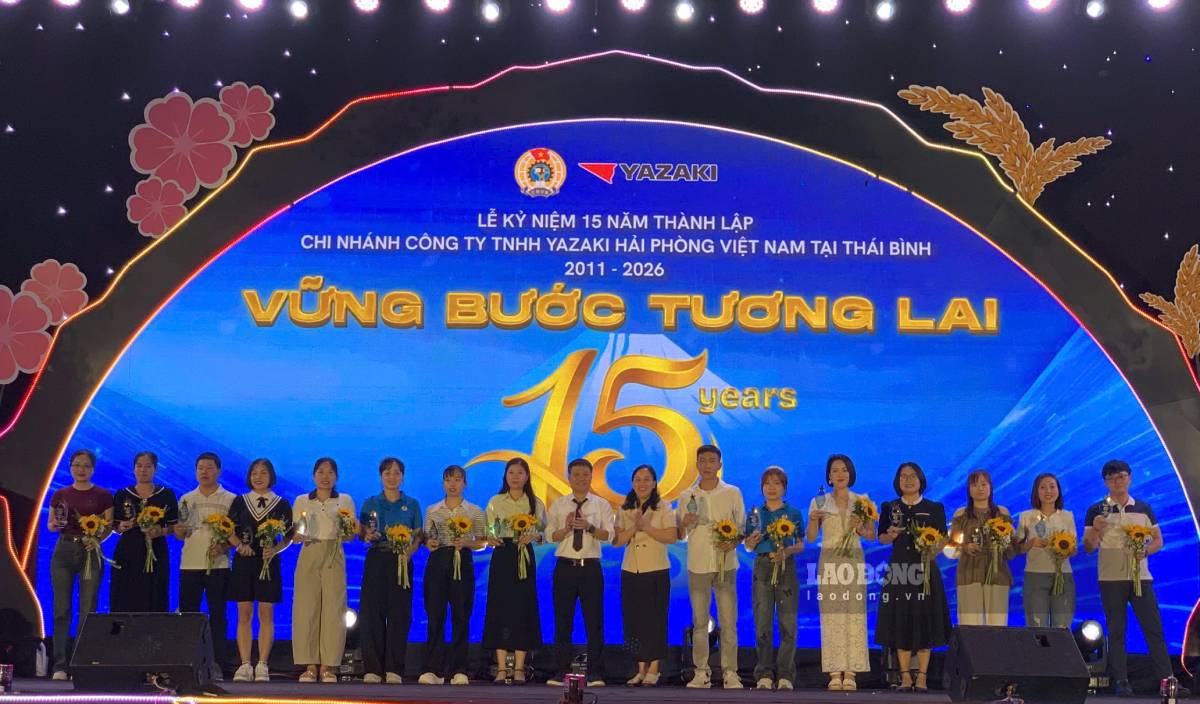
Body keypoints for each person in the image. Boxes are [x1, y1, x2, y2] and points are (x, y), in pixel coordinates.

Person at [1083, 460, 1181, 697]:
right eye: (1112, 478)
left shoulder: (1143, 508)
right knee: (1117, 631)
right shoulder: (1096, 510)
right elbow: (1088, 547)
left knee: (1153, 628)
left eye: (1122, 476)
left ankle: (1167, 681)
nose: (1118, 481)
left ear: (1130, 478)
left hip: (1141, 577)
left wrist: (1145, 551)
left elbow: (1158, 540)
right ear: (1105, 482)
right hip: (1110, 578)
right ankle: (1122, 681)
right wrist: (1095, 529)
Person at [875, 462, 951, 693]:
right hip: (899, 570)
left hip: (925, 571)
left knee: (925, 622)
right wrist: (890, 533)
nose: (907, 480)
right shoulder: (890, 507)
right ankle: (905, 677)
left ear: (921, 480)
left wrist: (930, 548)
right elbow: (882, 540)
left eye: (912, 476)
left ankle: (923, 677)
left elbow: (943, 539)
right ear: (897, 482)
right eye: (903, 476)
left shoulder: (934, 507)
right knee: (901, 621)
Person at [677, 444, 745, 690]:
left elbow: (742, 529)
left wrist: (733, 541)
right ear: (697, 464)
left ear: (719, 464)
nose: (707, 465)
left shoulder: (732, 492)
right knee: (699, 622)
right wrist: (684, 524)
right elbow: (680, 534)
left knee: (728, 622)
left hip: (726, 564)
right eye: (702, 461)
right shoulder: (687, 495)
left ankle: (730, 673)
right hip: (698, 564)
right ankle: (701, 672)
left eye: (712, 460)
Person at [807, 453, 875, 691]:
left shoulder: (862, 500)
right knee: (832, 616)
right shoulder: (820, 501)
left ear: (851, 473)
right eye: (835, 470)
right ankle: (835, 672)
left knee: (854, 615)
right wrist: (814, 520)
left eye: (844, 470)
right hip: (830, 563)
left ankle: (852, 672)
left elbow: (871, 534)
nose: (840, 474)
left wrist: (861, 528)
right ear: (829, 476)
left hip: (854, 561)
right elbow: (811, 536)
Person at [46, 449, 113, 681]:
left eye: (85, 465)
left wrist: (96, 539)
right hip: (63, 551)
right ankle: (60, 666)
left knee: (88, 610)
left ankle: (83, 664)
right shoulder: (60, 494)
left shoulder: (103, 495)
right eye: (76, 465)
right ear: (70, 467)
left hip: (90, 552)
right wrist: (55, 525)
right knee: (61, 610)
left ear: (92, 469)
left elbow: (108, 526)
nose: (81, 469)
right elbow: (51, 524)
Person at [546, 458, 613, 688]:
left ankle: (596, 673)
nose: (581, 479)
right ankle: (560, 671)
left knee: (594, 621)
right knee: (562, 621)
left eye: (585, 475)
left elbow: (610, 536)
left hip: (590, 567)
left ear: (591, 477)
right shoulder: (559, 504)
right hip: (564, 567)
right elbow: (549, 536)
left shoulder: (601, 504)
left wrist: (589, 527)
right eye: (576, 475)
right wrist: (565, 529)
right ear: (569, 477)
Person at [418, 465, 487, 686]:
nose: (453, 484)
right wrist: (429, 542)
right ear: (443, 483)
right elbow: (427, 536)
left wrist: (466, 542)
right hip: (438, 561)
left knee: (461, 616)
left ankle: (459, 669)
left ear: (465, 483)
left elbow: (483, 541)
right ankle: (433, 670)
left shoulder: (474, 510)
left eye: (458, 480)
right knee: (435, 616)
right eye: (449, 480)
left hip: (462, 561)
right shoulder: (432, 510)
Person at [227, 458, 292, 683]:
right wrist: (239, 545)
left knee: (266, 612)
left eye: (263, 472)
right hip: (244, 562)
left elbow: (290, 536)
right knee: (243, 613)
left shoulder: (281, 504)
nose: (258, 476)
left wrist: (275, 549)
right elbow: (227, 529)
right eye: (254, 472)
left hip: (268, 562)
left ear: (271, 476)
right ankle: (245, 664)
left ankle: (263, 664)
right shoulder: (239, 501)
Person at [482, 457, 546, 685]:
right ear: (505, 476)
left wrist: (535, 535)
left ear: (527, 476)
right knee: (500, 608)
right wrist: (490, 537)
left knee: (523, 609)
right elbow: (489, 529)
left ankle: (519, 668)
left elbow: (543, 533)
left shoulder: (535, 503)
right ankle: (501, 668)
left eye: (520, 473)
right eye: (512, 473)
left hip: (524, 555)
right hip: (502, 555)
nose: (516, 477)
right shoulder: (495, 501)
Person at [291, 457, 356, 683]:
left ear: (336, 476)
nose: (325, 476)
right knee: (306, 609)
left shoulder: (345, 500)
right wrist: (297, 536)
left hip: (334, 553)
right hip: (309, 551)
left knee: (333, 611)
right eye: (320, 472)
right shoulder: (301, 501)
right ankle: (309, 666)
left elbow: (350, 535)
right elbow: (296, 533)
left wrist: (347, 531)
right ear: (313, 475)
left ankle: (327, 667)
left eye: (330, 472)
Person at [358, 458, 422, 684]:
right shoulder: (370, 503)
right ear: (380, 476)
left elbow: (418, 536)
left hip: (402, 562)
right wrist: (367, 535)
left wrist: (409, 554)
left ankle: (394, 668)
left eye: (396, 473)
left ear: (402, 477)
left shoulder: (412, 504)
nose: (392, 477)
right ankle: (373, 669)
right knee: (372, 614)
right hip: (377, 559)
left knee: (399, 615)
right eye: (387, 473)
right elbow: (363, 533)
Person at [174, 452, 237, 679]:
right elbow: (179, 533)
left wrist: (224, 547)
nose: (204, 472)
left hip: (218, 566)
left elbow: (234, 534)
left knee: (218, 615)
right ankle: (187, 663)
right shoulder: (186, 499)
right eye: (200, 468)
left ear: (218, 471)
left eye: (209, 468)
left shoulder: (229, 499)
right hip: (189, 564)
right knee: (188, 616)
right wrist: (178, 531)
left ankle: (218, 663)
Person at [612, 464, 675, 687]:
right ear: (632, 483)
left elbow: (671, 537)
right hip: (631, 570)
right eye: (638, 479)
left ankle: (654, 668)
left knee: (655, 620)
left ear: (655, 483)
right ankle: (640, 667)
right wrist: (634, 527)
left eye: (647, 479)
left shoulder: (664, 507)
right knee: (634, 620)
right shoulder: (625, 508)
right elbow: (617, 540)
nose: (642, 483)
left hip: (656, 569)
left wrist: (646, 526)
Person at [743, 466, 804, 691]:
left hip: (786, 566)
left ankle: (786, 674)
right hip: (763, 566)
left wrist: (786, 552)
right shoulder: (755, 514)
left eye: (777, 483)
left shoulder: (794, 514)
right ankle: (764, 673)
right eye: (767, 483)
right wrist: (751, 542)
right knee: (762, 622)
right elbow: (748, 546)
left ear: (784, 488)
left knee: (788, 622)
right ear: (762, 487)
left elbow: (800, 544)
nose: (772, 487)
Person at [110, 451, 178, 613]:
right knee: (126, 593)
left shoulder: (166, 494)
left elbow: (175, 526)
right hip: (127, 551)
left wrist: (160, 531)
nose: (143, 470)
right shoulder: (122, 494)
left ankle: (152, 636)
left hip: (156, 551)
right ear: (133, 469)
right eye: (139, 466)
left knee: (155, 592)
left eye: (148, 466)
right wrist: (120, 527)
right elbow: (113, 524)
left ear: (155, 469)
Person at [948, 469, 1015, 626]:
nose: (980, 488)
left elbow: (1011, 548)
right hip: (969, 573)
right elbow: (950, 545)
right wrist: (965, 547)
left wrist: (1002, 546)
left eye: (984, 484)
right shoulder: (961, 514)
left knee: (997, 626)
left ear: (990, 488)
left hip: (998, 574)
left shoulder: (1002, 513)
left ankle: (996, 652)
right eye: (975, 485)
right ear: (969, 490)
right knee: (969, 625)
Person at [1018, 473, 1076, 629]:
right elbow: (1019, 548)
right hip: (1035, 574)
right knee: (1037, 626)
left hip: (1063, 574)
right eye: (1042, 487)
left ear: (1058, 490)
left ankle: (1060, 654)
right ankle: (1038, 654)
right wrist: (1031, 544)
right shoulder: (1026, 516)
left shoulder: (1067, 516)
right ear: (1036, 491)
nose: (1048, 491)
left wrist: (1064, 550)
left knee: (1062, 627)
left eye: (1052, 486)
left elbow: (1074, 549)